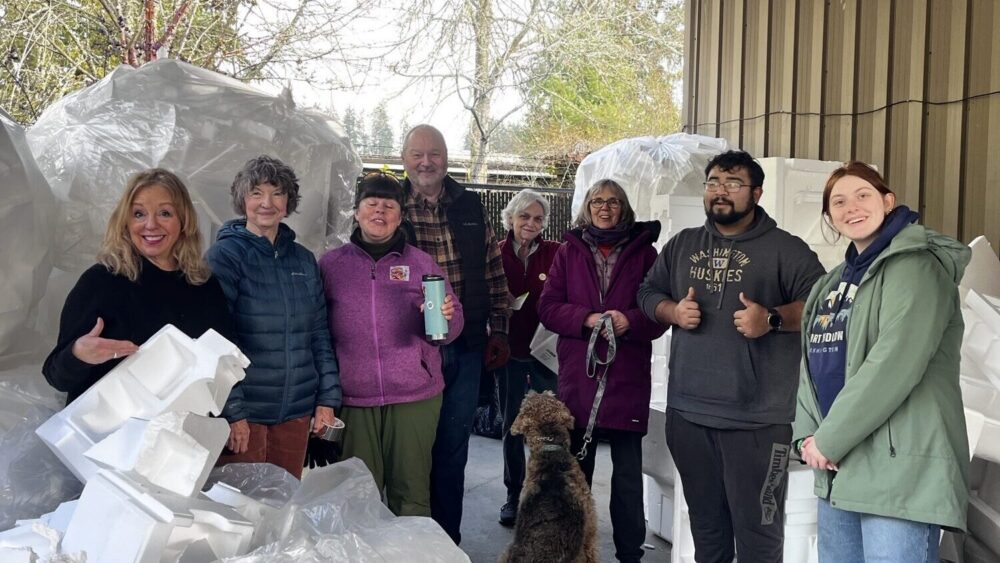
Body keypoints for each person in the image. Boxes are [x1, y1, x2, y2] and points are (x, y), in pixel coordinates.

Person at [637, 150, 825, 563]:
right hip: (688, 416)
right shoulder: (683, 244)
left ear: (756, 193)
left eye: (734, 184)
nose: (721, 192)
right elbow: (648, 292)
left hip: (757, 423)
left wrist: (771, 319)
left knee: (758, 536)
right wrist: (672, 312)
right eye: (714, 183)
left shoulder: (785, 250)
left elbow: (821, 305)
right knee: (707, 532)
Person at [793, 162, 969, 562]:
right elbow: (810, 367)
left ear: (887, 202)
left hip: (898, 470)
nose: (851, 207)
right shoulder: (832, 284)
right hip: (837, 466)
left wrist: (828, 439)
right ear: (829, 217)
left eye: (862, 195)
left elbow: (893, 365)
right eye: (838, 201)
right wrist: (806, 437)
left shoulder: (917, 268)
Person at [319, 172, 463, 516]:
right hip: (354, 399)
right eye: (372, 204)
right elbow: (316, 332)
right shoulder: (331, 265)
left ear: (401, 215)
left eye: (389, 205)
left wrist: (447, 316)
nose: (379, 212)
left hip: (415, 396)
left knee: (411, 496)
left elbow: (453, 323)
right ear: (356, 211)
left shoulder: (421, 263)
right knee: (356, 498)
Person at [537, 179, 665, 563]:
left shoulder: (646, 255)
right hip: (580, 377)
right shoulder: (568, 252)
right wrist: (587, 319)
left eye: (612, 202)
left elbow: (660, 313)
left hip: (627, 377)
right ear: (587, 208)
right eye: (597, 202)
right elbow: (548, 307)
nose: (604, 208)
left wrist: (630, 321)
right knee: (576, 476)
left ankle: (630, 555)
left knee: (627, 478)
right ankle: (574, 553)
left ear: (623, 208)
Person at [399, 124, 512, 544]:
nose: (426, 162)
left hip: (465, 348)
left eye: (435, 153)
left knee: (451, 448)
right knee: (411, 448)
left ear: (447, 158)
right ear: (403, 158)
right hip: (409, 348)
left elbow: (493, 270)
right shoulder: (391, 205)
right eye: (417, 154)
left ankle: (446, 541)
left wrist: (498, 329)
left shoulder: (469, 205)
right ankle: (409, 539)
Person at [43, 169, 235, 403]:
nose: (151, 224)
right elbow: (56, 376)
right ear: (125, 221)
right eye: (139, 214)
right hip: (110, 434)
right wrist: (78, 354)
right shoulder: (100, 282)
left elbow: (223, 360)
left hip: (177, 431)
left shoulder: (204, 285)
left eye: (165, 213)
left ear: (183, 220)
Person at [206, 155, 341, 480]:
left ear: (288, 201)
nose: (266, 202)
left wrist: (327, 399)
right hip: (246, 416)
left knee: (282, 509)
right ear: (242, 199)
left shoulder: (304, 260)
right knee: (240, 514)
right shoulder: (225, 257)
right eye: (256, 193)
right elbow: (217, 342)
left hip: (295, 413)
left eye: (277, 193)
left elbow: (319, 334)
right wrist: (232, 412)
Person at [495, 188, 562, 527]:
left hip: (545, 355)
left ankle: (545, 495)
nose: (530, 223)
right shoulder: (496, 254)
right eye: (524, 216)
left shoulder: (556, 254)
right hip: (508, 352)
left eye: (537, 218)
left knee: (547, 427)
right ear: (511, 218)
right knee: (512, 426)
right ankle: (513, 494)